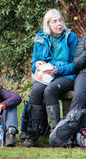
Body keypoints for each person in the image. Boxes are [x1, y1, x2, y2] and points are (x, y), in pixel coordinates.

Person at [24, 9, 79, 148]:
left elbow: (76, 64)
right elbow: (34, 63)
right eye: (55, 21)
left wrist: (58, 69)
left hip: (66, 75)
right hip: (46, 75)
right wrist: (37, 65)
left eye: (60, 20)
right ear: (48, 24)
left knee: (50, 90)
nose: (59, 24)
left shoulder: (71, 37)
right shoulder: (40, 37)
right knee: (36, 90)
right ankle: (32, 135)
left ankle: (56, 135)